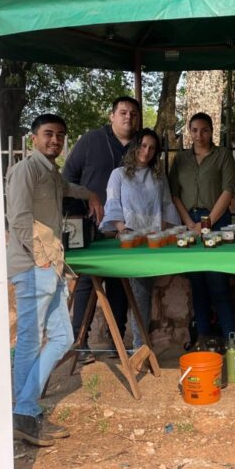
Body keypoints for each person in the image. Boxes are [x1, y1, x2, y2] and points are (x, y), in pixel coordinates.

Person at [6, 113, 100, 447]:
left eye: (60, 135)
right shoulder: (25, 170)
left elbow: (68, 189)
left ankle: (24, 409)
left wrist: (90, 195)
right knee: (31, 341)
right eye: (48, 134)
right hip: (35, 266)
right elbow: (18, 220)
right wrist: (41, 256)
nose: (55, 141)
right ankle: (24, 413)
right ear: (33, 137)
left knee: (63, 337)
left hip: (52, 264)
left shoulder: (50, 172)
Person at [64, 96, 140, 362]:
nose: (127, 117)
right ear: (111, 115)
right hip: (92, 227)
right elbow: (67, 178)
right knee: (86, 282)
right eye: (122, 112)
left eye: (133, 113)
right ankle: (79, 343)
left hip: (126, 231)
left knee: (120, 284)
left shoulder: (141, 145)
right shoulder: (90, 141)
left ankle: (115, 342)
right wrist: (82, 206)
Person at [99, 129, 181, 352]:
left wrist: (166, 233)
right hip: (129, 240)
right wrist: (121, 228)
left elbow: (166, 207)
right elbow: (112, 203)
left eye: (152, 148)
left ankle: (140, 344)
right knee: (135, 294)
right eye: (143, 146)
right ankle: (138, 345)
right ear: (135, 146)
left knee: (142, 292)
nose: (147, 151)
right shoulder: (119, 174)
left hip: (153, 242)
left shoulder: (158, 176)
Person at [168, 112, 235, 348]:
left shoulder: (223, 156)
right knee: (196, 283)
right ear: (190, 131)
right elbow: (174, 193)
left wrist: (205, 223)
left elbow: (228, 191)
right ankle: (203, 340)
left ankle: (230, 340)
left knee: (218, 282)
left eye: (205, 130)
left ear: (212, 131)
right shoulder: (180, 160)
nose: (200, 135)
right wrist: (190, 223)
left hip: (216, 221)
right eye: (195, 130)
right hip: (189, 222)